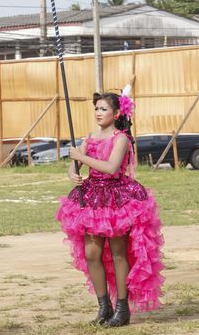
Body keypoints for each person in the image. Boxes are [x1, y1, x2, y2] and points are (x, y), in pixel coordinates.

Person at [55, 92, 164, 327]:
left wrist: (80, 156)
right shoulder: (90, 137)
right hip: (93, 199)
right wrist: (73, 170)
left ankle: (122, 309)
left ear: (115, 114)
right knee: (91, 254)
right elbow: (76, 165)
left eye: (103, 109)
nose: (98, 113)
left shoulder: (120, 138)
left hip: (117, 198)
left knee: (118, 253)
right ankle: (104, 307)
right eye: (96, 108)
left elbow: (112, 168)